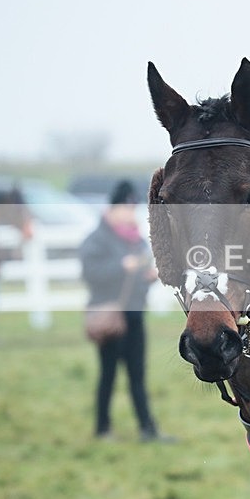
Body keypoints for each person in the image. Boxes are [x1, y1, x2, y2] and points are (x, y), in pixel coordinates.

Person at [79, 180, 170, 442]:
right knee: (108, 374)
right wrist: (122, 266)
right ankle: (102, 427)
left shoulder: (135, 238)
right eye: (127, 208)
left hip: (134, 314)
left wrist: (147, 276)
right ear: (114, 207)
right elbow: (90, 274)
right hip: (110, 317)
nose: (131, 214)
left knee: (137, 375)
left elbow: (138, 270)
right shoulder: (97, 239)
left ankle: (147, 428)